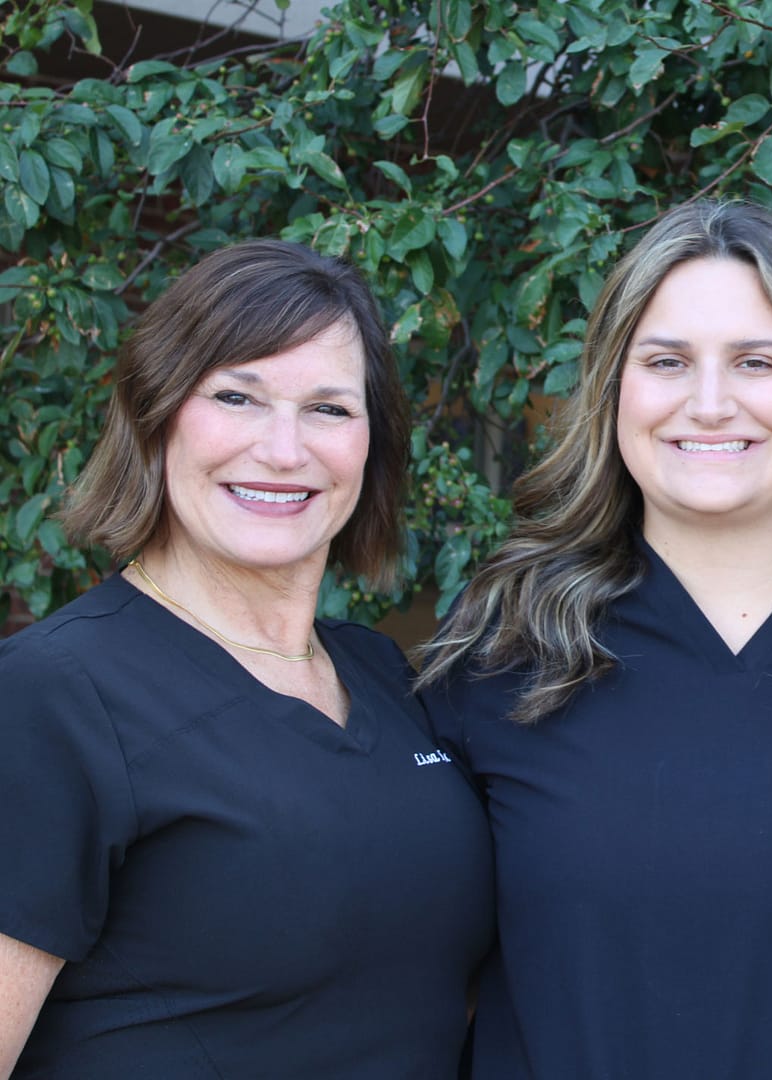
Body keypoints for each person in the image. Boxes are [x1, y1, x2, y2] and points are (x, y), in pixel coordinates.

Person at [419, 199, 772, 1079]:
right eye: (668, 361)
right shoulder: (502, 646)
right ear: (613, 386)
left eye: (756, 361)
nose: (710, 404)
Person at [0, 240, 492, 1078]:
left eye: (330, 409)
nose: (284, 449)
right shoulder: (50, 696)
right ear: (156, 417)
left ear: (371, 444)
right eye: (238, 396)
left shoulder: (387, 677)